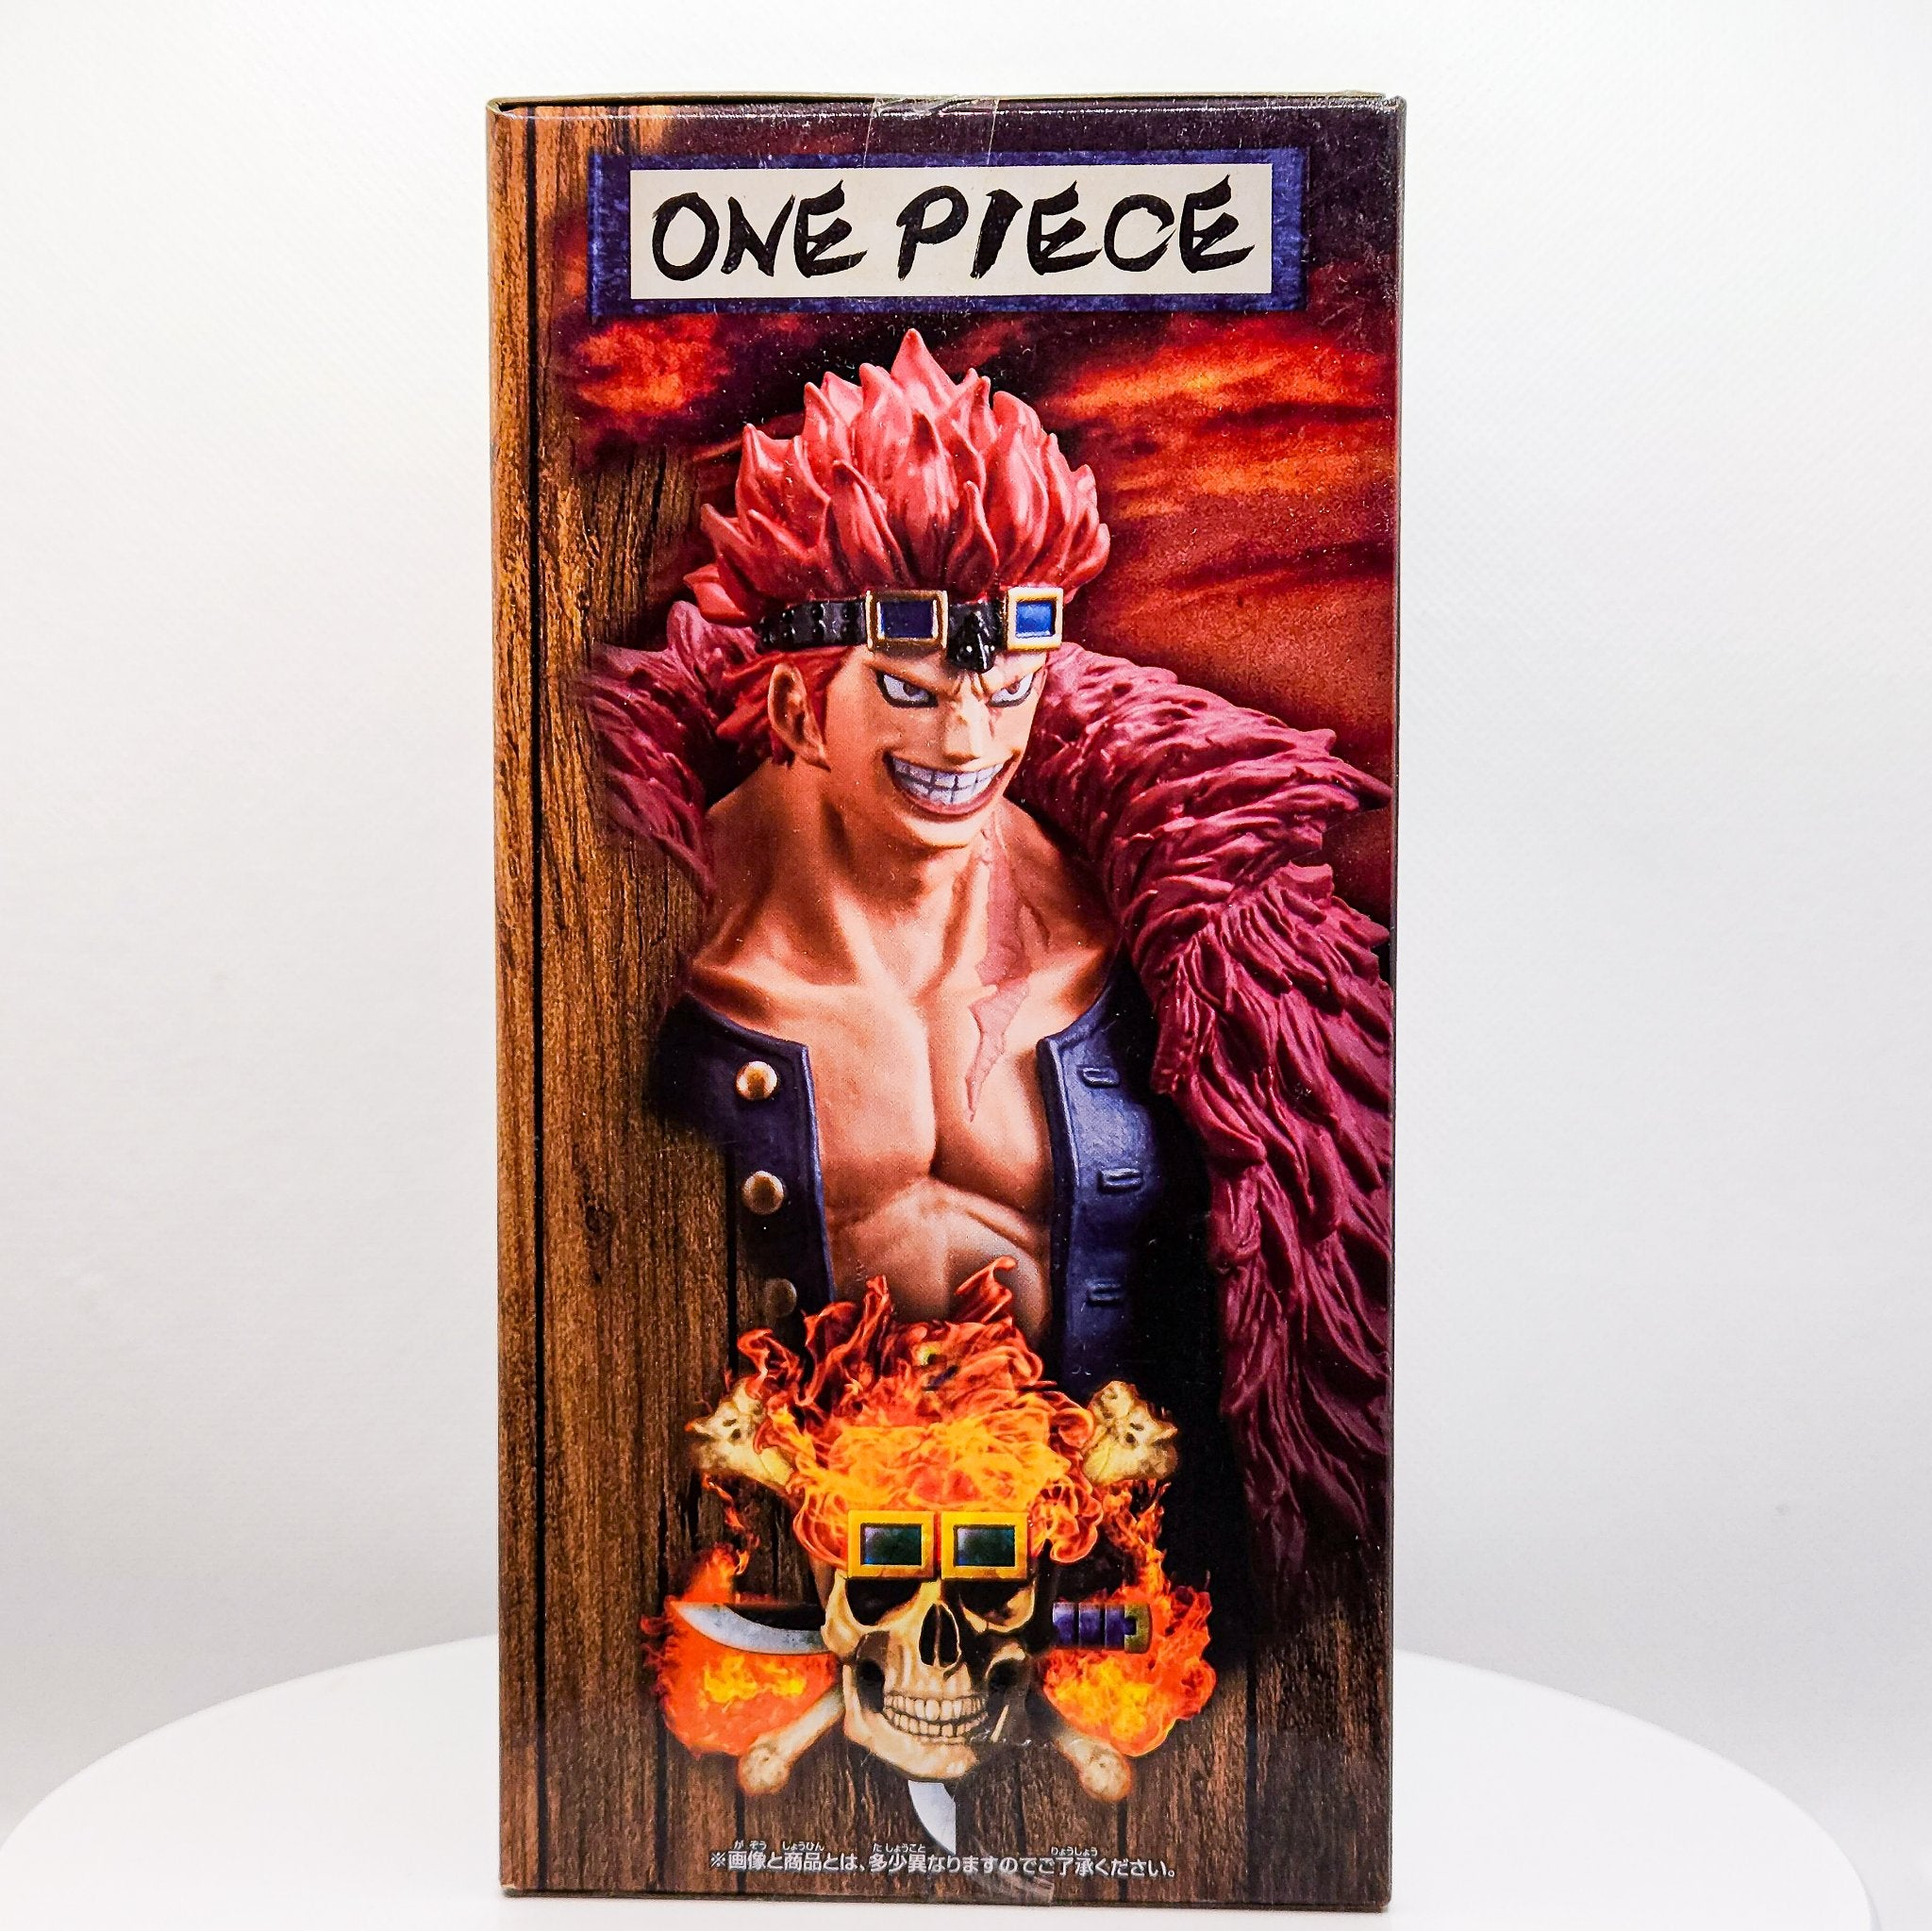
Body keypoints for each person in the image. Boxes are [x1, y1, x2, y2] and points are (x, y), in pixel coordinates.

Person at [588, 331, 1391, 1610]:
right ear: (795, 709)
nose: (967, 738)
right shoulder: (645, 935)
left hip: (1099, 1588)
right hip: (756, 1584)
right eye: (910, 693)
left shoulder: (1157, 934)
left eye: (1006, 688)